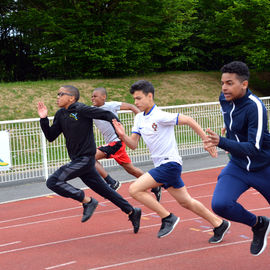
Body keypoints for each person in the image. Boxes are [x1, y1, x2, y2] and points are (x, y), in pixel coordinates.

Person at [112, 80, 230, 240]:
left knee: (135, 189)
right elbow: (133, 145)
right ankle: (219, 223)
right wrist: (122, 135)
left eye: (139, 98)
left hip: (170, 164)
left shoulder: (160, 116)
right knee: (186, 202)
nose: (136, 102)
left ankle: (167, 217)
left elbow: (189, 120)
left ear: (150, 96)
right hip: (162, 166)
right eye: (134, 99)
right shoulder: (139, 118)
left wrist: (206, 140)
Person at [37, 85, 141, 233]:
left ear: (71, 98)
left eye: (61, 94)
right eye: (58, 94)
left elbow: (106, 114)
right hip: (77, 160)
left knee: (53, 181)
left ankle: (88, 201)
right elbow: (50, 136)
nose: (58, 97)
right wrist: (43, 119)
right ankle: (132, 211)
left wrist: (119, 130)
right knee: (106, 191)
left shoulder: (82, 109)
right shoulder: (61, 114)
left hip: (85, 159)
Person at [204, 61, 270, 256]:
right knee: (220, 204)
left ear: (244, 84)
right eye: (222, 82)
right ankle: (258, 224)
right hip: (238, 166)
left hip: (264, 166)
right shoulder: (224, 99)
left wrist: (222, 141)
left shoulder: (255, 107)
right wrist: (229, 132)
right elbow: (233, 121)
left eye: (230, 83)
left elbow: (254, 148)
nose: (224, 87)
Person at [91, 87, 162, 201]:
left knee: (90, 157)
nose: (92, 98)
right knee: (131, 169)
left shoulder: (111, 105)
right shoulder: (91, 110)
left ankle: (112, 182)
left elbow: (131, 106)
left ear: (103, 97)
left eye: (95, 96)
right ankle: (155, 185)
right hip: (112, 144)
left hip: (117, 142)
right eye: (91, 96)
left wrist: (142, 119)